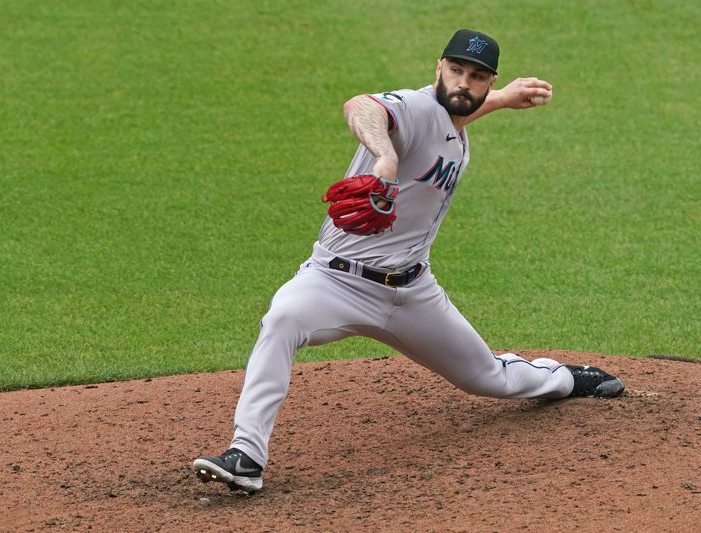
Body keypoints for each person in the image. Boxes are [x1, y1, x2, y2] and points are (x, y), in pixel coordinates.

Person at [192, 29, 624, 494]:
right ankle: (246, 455)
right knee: (281, 319)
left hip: (413, 294)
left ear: (487, 80)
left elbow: (458, 110)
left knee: (486, 377)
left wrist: (502, 98)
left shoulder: (455, 120)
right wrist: (383, 156)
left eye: (476, 76)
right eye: (455, 70)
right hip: (335, 283)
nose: (463, 82)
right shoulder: (414, 107)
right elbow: (361, 107)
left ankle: (560, 379)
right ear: (437, 67)